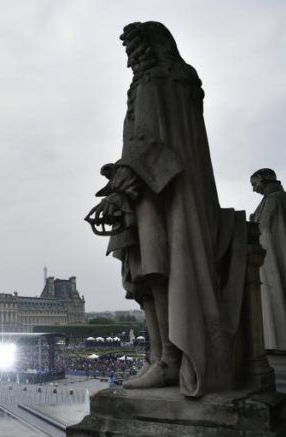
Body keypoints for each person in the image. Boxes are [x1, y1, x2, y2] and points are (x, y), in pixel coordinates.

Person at [85, 22, 247, 397]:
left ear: (145, 48)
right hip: (175, 189)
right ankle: (162, 356)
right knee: (154, 269)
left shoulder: (152, 84)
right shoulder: (182, 87)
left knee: (153, 270)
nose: (129, 58)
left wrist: (119, 187)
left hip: (157, 193)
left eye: (132, 48)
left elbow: (147, 143)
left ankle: (168, 358)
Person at [251, 168, 286, 353]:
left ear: (264, 179)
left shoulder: (274, 200)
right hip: (277, 256)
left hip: (272, 258)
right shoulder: (282, 199)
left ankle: (280, 342)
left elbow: (264, 229)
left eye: (255, 184)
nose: (253, 189)